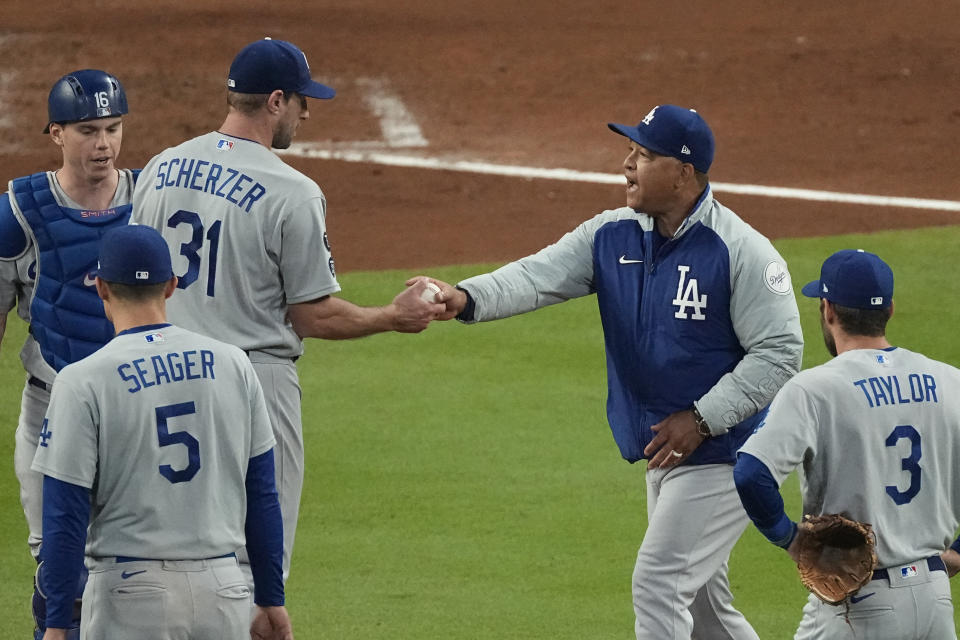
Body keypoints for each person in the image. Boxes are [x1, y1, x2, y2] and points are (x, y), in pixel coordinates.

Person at [420, 104, 803, 639]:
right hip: (663, 450)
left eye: (644, 155)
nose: (627, 163)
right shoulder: (611, 236)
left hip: (725, 452)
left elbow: (780, 352)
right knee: (706, 611)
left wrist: (701, 418)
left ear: (684, 173)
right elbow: (537, 276)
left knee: (659, 583)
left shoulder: (740, 251)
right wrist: (465, 298)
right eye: (631, 150)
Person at [129, 37, 443, 586]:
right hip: (253, 385)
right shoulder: (292, 191)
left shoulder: (159, 168)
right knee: (256, 569)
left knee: (163, 553)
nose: (305, 111)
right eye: (301, 100)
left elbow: (132, 283)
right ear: (275, 102)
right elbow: (312, 317)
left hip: (159, 379)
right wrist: (390, 316)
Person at [32, 225, 293, 640]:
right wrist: (272, 597)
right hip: (224, 591)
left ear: (100, 288)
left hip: (131, 594)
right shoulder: (234, 364)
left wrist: (57, 624)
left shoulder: (82, 380)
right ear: (171, 285)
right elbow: (261, 491)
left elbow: (65, 513)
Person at [734, 248, 960, 640]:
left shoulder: (814, 389)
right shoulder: (949, 381)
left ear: (828, 310)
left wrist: (790, 540)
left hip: (858, 606)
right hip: (935, 600)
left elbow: (752, 473)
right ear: (889, 310)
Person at [0, 68, 136, 637]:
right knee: (61, 578)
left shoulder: (151, 199)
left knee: (138, 573)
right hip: (51, 409)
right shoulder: (20, 211)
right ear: (56, 133)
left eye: (112, 128)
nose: (103, 144)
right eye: (87, 130)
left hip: (134, 413)